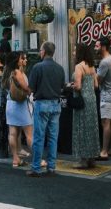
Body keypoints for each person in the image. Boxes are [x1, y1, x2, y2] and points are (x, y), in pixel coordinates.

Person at [27, 41, 66, 177]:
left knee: (39, 137)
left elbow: (30, 88)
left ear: (43, 52)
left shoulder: (37, 67)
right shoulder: (60, 68)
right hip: (56, 104)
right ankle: (51, 167)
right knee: (53, 138)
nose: (39, 52)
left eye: (40, 50)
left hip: (42, 103)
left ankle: (36, 168)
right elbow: (62, 87)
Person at [71, 43, 100, 169]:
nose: (73, 53)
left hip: (82, 99)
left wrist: (70, 86)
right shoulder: (92, 66)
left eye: (75, 50)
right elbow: (96, 85)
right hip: (92, 99)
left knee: (81, 128)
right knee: (91, 128)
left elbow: (78, 86)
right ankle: (92, 158)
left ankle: (82, 160)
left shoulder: (79, 66)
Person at [3, 51, 33, 167]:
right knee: (29, 134)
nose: (24, 60)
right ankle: (37, 159)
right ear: (17, 60)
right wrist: (31, 90)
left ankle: (15, 159)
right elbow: (25, 88)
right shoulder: (17, 72)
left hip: (10, 104)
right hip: (20, 105)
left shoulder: (7, 72)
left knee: (12, 133)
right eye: (22, 58)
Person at [96, 37, 111, 160]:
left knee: (105, 122)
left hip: (107, 96)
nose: (96, 48)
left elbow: (98, 81)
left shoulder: (105, 62)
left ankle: (104, 151)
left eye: (97, 46)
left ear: (103, 47)